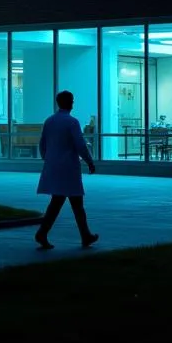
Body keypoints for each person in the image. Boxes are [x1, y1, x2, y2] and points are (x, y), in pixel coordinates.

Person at [34, 90, 99, 249]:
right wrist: (89, 161)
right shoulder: (72, 122)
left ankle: (44, 233)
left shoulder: (49, 121)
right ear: (70, 103)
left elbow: (42, 144)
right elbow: (80, 145)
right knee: (76, 203)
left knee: (58, 202)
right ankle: (84, 236)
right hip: (68, 168)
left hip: (53, 166)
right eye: (72, 101)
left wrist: (48, 159)